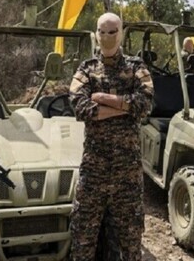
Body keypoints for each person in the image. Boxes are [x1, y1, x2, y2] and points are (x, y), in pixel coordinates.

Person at [69, 13, 154, 260]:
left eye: (112, 31)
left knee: (131, 240)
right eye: (102, 31)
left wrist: (104, 99)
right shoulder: (86, 69)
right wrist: (125, 107)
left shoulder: (136, 67)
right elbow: (80, 107)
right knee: (82, 237)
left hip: (127, 171)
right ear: (96, 34)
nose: (106, 37)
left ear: (122, 33)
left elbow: (145, 104)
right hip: (93, 170)